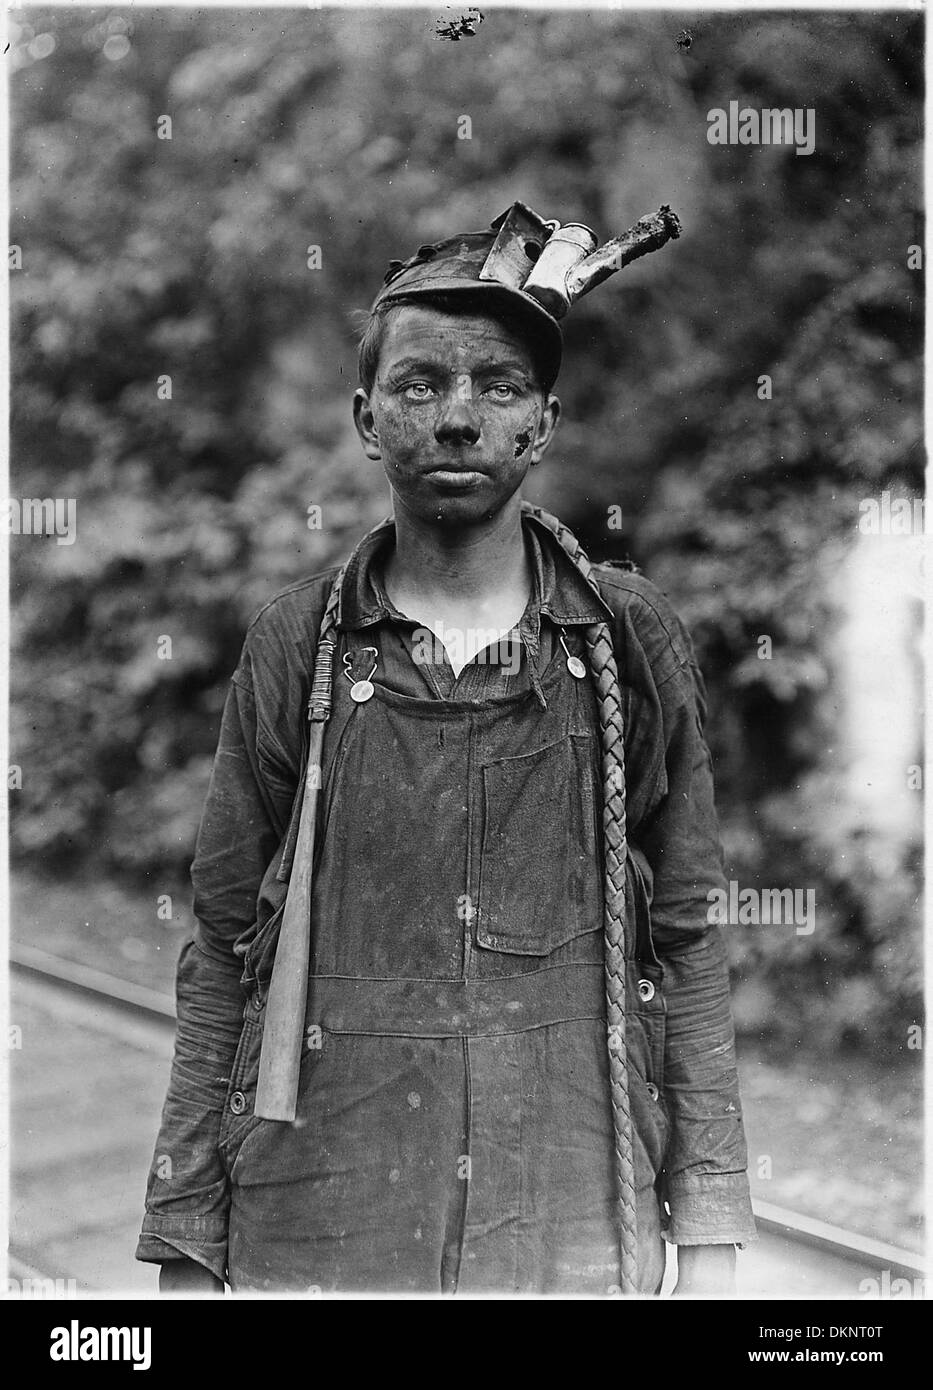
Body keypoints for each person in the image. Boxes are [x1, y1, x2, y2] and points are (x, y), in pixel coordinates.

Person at [137, 203, 757, 1296]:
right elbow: (226, 946)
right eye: (421, 384)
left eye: (499, 385)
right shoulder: (299, 646)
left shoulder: (626, 637)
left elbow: (689, 938)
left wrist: (706, 1232)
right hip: (325, 1226)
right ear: (368, 418)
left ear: (545, 423)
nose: (460, 417)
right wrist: (188, 1239)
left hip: (566, 1222)